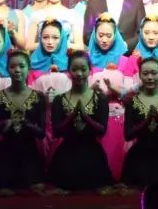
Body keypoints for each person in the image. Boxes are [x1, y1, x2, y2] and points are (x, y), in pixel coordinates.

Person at [48, 50, 115, 189]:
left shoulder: (100, 98)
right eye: (75, 69)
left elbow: (102, 130)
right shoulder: (59, 99)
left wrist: (85, 117)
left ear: (90, 70)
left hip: (93, 157)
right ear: (68, 72)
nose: (79, 74)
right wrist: (72, 116)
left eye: (83, 69)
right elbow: (56, 132)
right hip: (66, 157)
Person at [0, 50, 47, 188]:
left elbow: (42, 133)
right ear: (7, 69)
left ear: (29, 69)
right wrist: (4, 125)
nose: (17, 70)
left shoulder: (38, 97)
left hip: (29, 154)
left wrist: (27, 124)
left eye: (21, 66)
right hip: (4, 153)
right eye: (12, 66)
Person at [122, 56, 158, 187]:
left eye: (154, 73)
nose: (150, 77)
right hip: (139, 159)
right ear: (139, 76)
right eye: (145, 73)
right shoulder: (132, 102)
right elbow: (128, 135)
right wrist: (146, 121)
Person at [88, 13, 130, 180]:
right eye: (100, 35)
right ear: (94, 35)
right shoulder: (87, 58)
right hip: (92, 114)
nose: (104, 40)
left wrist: (114, 89)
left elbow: (130, 94)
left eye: (108, 35)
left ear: (116, 35)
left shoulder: (125, 61)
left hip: (117, 113)